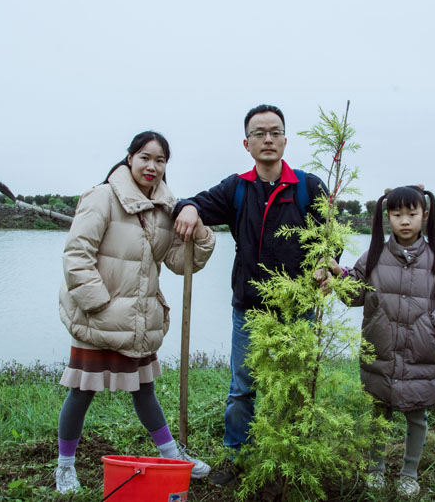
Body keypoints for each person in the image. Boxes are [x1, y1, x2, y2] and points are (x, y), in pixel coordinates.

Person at [173, 104, 327, 485]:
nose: (268, 139)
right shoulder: (237, 188)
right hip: (249, 307)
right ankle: (237, 456)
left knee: (292, 385)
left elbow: (329, 238)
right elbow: (196, 203)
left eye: (275, 132)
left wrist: (328, 261)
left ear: (286, 139)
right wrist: (190, 208)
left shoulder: (308, 187)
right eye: (259, 133)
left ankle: (286, 454)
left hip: (298, 306)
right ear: (247, 143)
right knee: (243, 385)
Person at [55, 131, 216, 494]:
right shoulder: (102, 198)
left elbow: (178, 261)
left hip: (139, 318)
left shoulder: (166, 209)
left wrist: (201, 236)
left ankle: (173, 456)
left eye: (160, 160)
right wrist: (100, 305)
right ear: (129, 158)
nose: (152, 166)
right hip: (98, 317)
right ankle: (64, 467)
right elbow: (76, 256)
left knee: (145, 389)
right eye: (146, 157)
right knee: (82, 391)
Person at [322, 185, 435, 498]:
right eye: (397, 214)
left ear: (425, 216)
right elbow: (356, 294)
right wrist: (339, 279)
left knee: (417, 417)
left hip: (421, 353)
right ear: (387, 217)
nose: (405, 221)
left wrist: (431, 326)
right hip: (381, 350)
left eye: (412, 214)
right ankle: (375, 470)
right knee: (379, 415)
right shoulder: (374, 256)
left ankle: (409, 473)